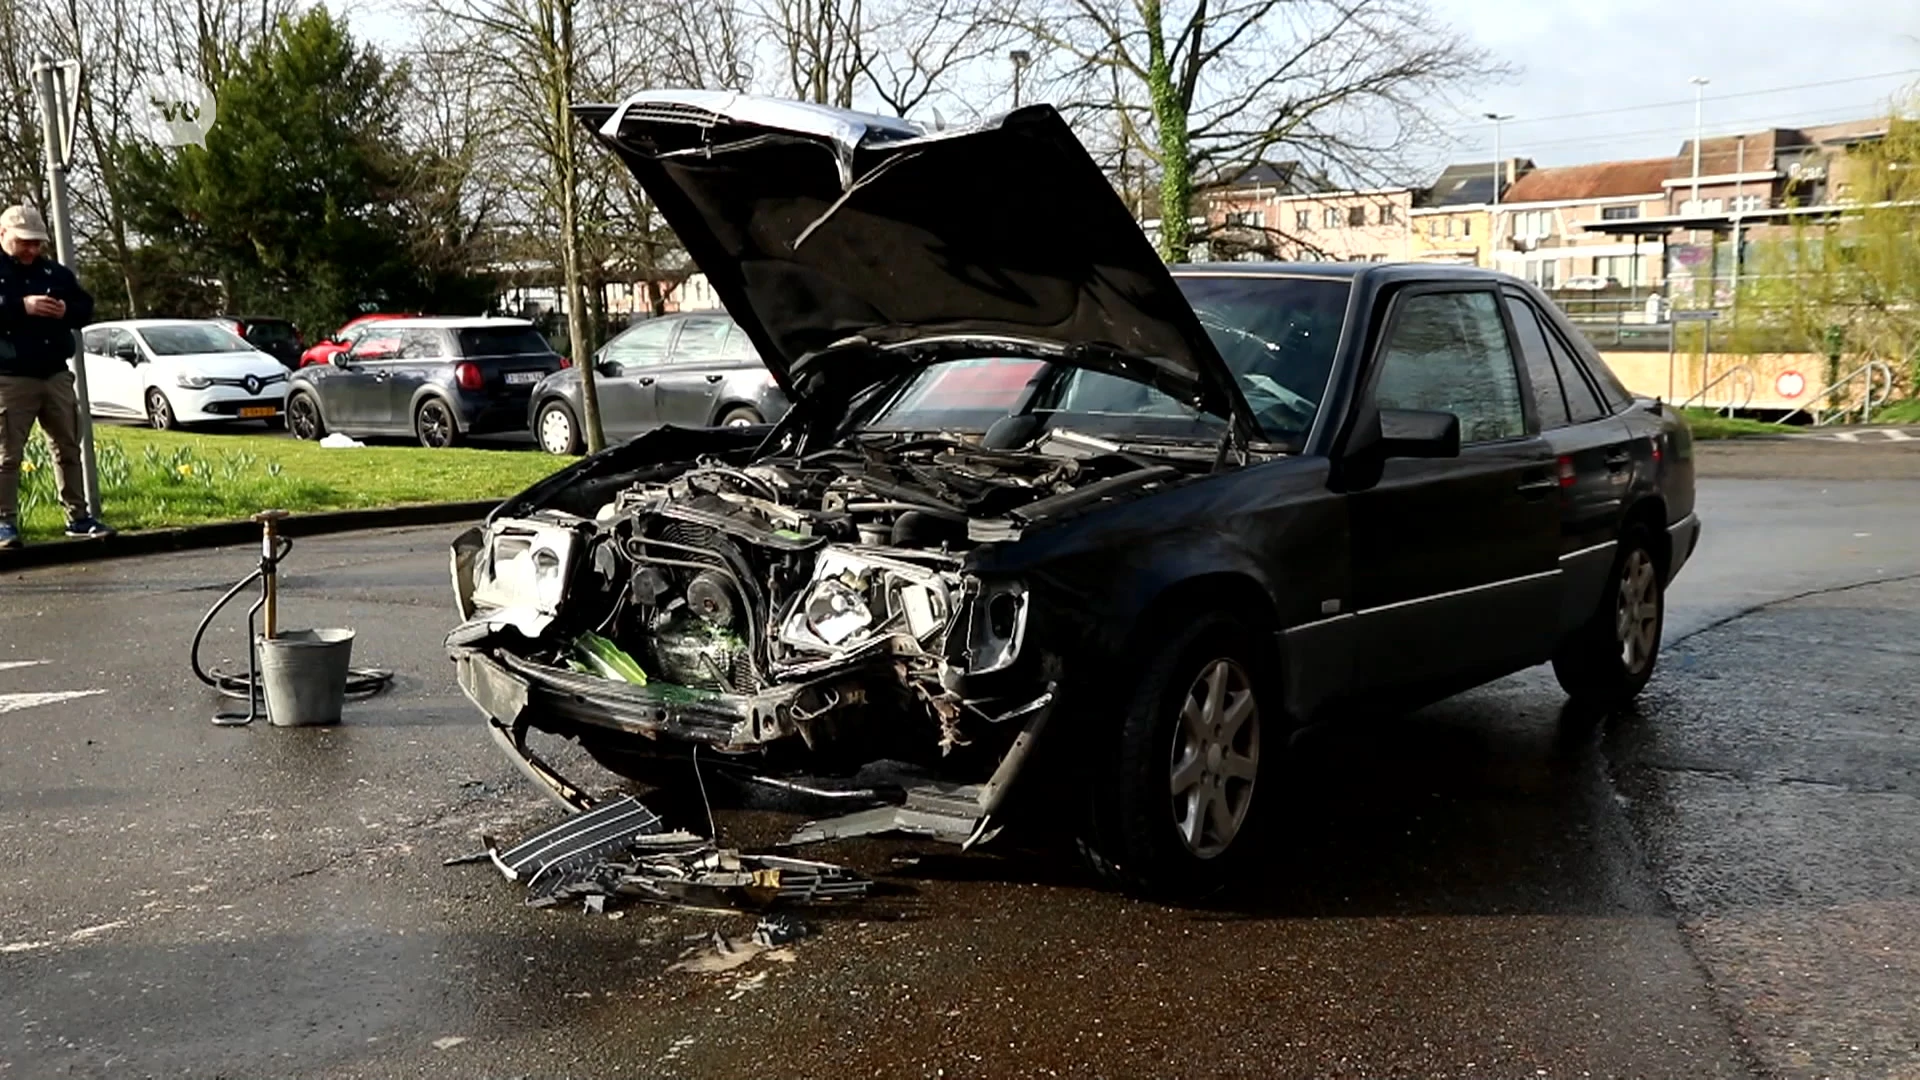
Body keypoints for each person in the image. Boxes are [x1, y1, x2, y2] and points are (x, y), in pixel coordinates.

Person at [0, 204, 111, 548]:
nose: (32, 250)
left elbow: (85, 307)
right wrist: (22, 306)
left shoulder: (54, 273)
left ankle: (78, 517)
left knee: (67, 447)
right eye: (24, 242)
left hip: (55, 374)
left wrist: (67, 311)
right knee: (7, 454)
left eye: (37, 243)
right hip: (11, 377)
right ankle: (4, 523)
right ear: (3, 235)